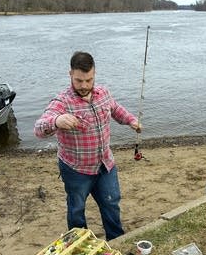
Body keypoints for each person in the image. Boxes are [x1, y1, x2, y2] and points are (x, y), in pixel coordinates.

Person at [34, 51, 141, 240]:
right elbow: (39, 129)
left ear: (94, 74)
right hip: (76, 169)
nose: (84, 86)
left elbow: (116, 109)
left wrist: (131, 121)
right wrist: (57, 120)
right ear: (70, 75)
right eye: (79, 81)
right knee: (76, 209)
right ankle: (80, 245)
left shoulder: (104, 93)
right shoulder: (62, 101)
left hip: (105, 164)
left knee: (111, 202)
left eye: (88, 80)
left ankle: (116, 240)